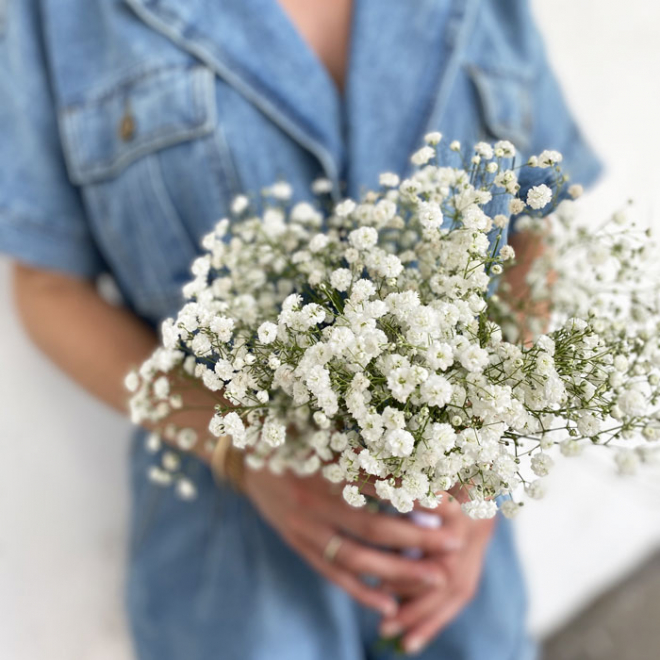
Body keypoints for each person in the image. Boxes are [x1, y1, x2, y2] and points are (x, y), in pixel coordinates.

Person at [0, 1, 601, 658]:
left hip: (456, 567)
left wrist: (487, 445)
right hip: (232, 573)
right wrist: (244, 446)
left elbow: (538, 217)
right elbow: (49, 286)